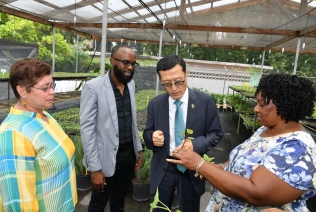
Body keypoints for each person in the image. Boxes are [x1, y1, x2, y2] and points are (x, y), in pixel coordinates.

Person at [168, 73, 316, 211]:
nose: (256, 109)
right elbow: (245, 158)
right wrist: (217, 167)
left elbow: (256, 193)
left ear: (286, 105)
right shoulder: (266, 129)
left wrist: (200, 164)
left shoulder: (297, 148)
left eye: (262, 104)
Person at [0, 58, 77, 211]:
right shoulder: (12, 135)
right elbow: (19, 204)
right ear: (22, 91)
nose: (52, 92)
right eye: (45, 88)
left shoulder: (43, 115)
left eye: (52, 85)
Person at [143, 55, 224, 212]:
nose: (173, 88)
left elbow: (216, 133)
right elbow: (147, 133)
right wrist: (152, 138)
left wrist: (195, 144)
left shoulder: (205, 101)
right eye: (166, 84)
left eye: (178, 81)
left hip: (191, 171)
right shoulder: (155, 104)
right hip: (163, 168)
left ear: (187, 73)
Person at [80, 44, 143, 212]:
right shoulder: (93, 87)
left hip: (128, 156)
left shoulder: (130, 85)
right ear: (112, 61)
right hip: (104, 158)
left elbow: (132, 121)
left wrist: (138, 149)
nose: (130, 67)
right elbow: (87, 129)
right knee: (98, 203)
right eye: (125, 62)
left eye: (133, 63)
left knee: (119, 200)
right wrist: (95, 168)